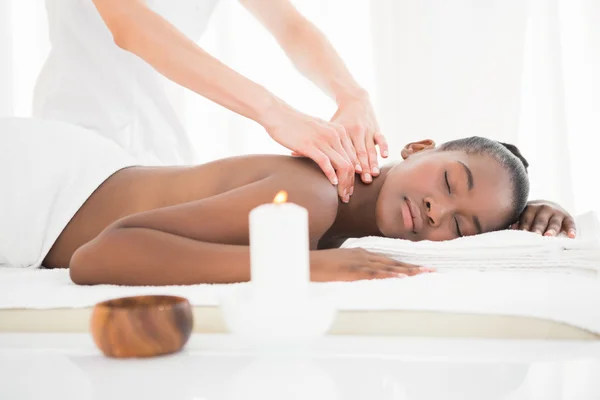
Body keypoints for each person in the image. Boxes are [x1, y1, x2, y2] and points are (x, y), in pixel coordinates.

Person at [0, 118, 575, 286]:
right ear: (418, 146)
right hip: (34, 187)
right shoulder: (315, 195)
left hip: (75, 167)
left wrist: (523, 213)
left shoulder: (340, 204)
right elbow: (99, 257)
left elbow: (471, 191)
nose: (435, 213)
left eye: (463, 226)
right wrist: (306, 267)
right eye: (447, 185)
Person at [33, 0, 387, 204]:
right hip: (76, 142)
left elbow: (289, 26)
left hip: (164, 152)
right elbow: (130, 26)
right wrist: (275, 113)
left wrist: (353, 96)